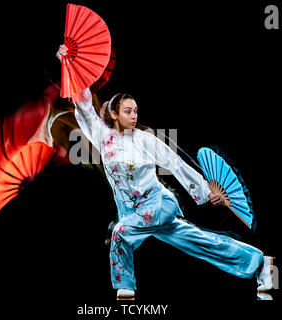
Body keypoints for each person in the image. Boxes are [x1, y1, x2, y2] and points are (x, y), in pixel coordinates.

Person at [56, 45, 275, 300]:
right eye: (128, 111)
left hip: (157, 205)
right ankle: (260, 264)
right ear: (114, 114)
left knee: (120, 233)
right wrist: (68, 64)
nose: (134, 116)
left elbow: (176, 163)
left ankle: (125, 291)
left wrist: (205, 192)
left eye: (136, 111)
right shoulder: (103, 136)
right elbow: (83, 105)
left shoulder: (145, 140)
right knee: (201, 243)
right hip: (133, 212)